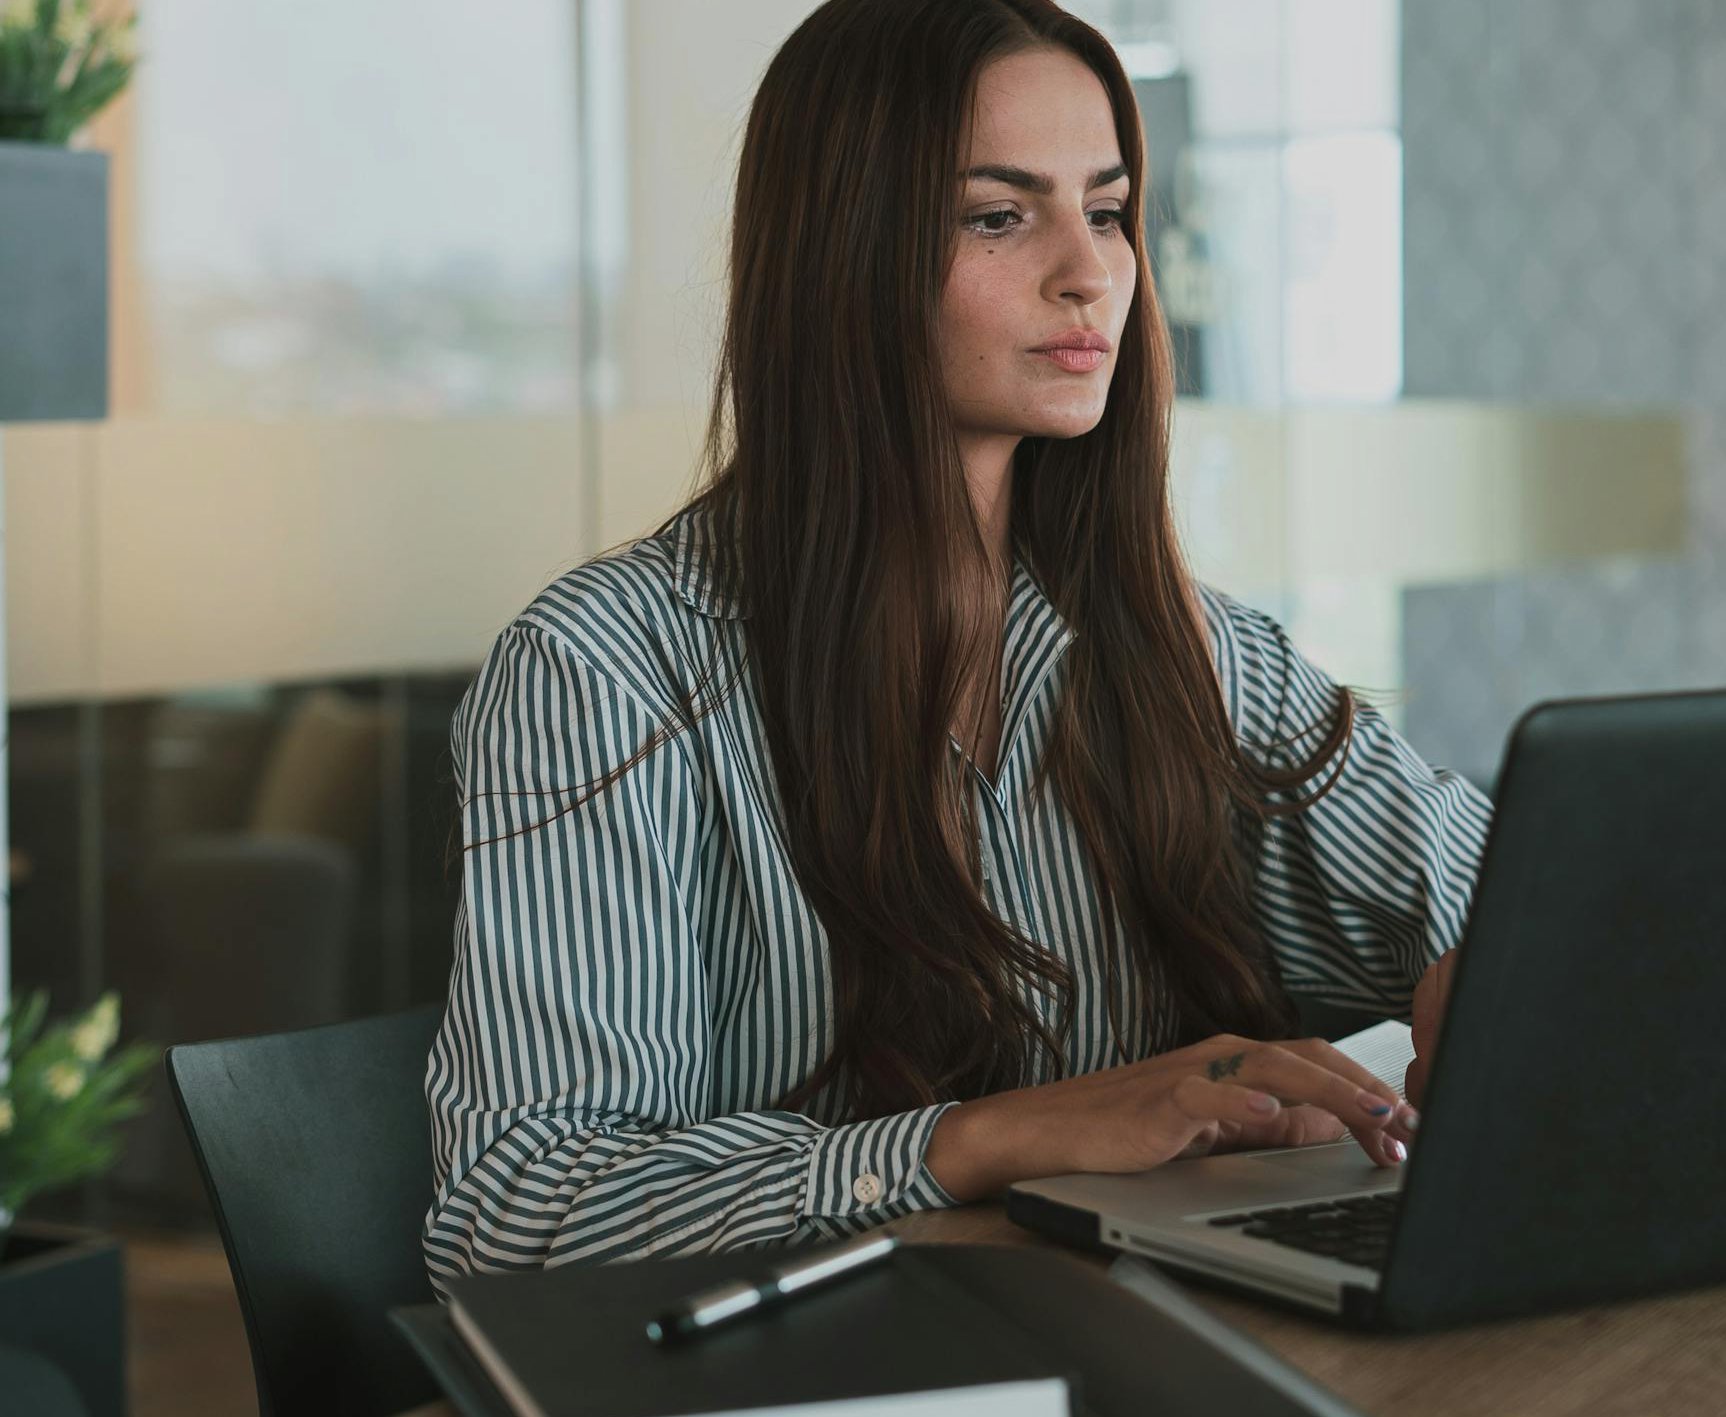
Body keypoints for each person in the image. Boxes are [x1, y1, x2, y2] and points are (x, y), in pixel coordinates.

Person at [422, 0, 1492, 1292]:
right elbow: (517, 1216)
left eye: (1105, 209)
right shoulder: (606, 671)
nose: (1087, 270)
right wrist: (985, 1140)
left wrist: (1494, 977)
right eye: (999, 215)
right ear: (845, 254)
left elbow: (1504, 897)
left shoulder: (1189, 649)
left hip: (1130, 1344)